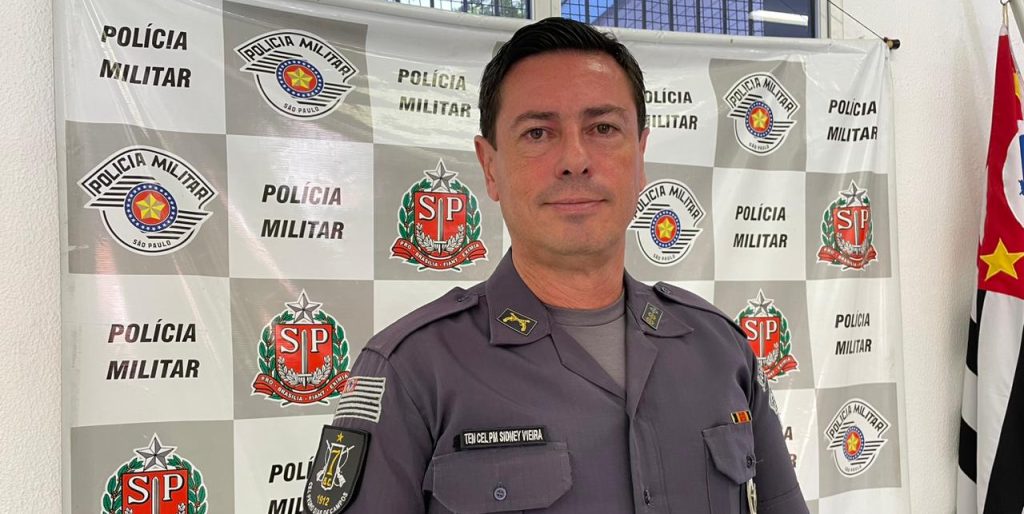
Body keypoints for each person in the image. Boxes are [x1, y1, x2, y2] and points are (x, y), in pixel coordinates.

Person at [305, 17, 807, 514]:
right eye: (538, 133)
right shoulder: (411, 370)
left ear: (640, 157)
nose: (574, 158)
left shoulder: (722, 350)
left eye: (603, 128)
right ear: (489, 167)